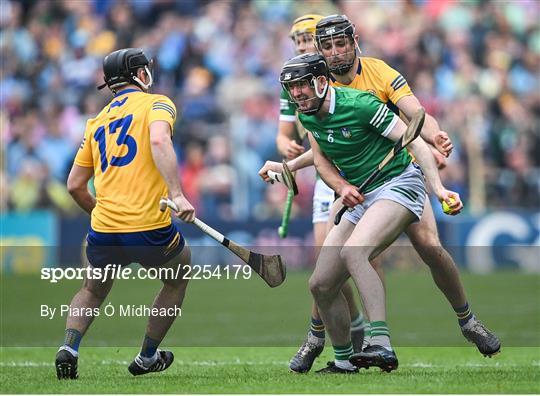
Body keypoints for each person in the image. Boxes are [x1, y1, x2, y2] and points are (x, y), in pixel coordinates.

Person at [264, 14, 501, 371]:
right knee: (325, 272)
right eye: (325, 46)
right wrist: (292, 168)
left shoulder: (378, 75)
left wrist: (434, 148)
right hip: (351, 184)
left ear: (353, 42)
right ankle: (327, 342)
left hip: (398, 173)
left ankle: (465, 321)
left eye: (339, 43)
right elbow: (320, 150)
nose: (333, 51)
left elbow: (416, 118)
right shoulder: (310, 93)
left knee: (428, 249)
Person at [55, 48, 195, 379]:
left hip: (104, 228)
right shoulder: (158, 103)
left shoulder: (96, 121)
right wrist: (177, 194)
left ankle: (69, 347)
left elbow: (75, 185)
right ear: (140, 75)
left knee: (92, 288)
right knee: (178, 274)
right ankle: (147, 356)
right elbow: (160, 140)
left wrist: (101, 213)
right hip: (148, 226)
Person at [276, 15, 367, 373]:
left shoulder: (352, 76)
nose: (301, 44)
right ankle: (352, 328)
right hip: (326, 176)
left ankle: (339, 337)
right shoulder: (294, 82)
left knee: (359, 261)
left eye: (307, 38)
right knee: (326, 264)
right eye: (296, 38)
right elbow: (284, 133)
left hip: (363, 176)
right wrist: (286, 151)